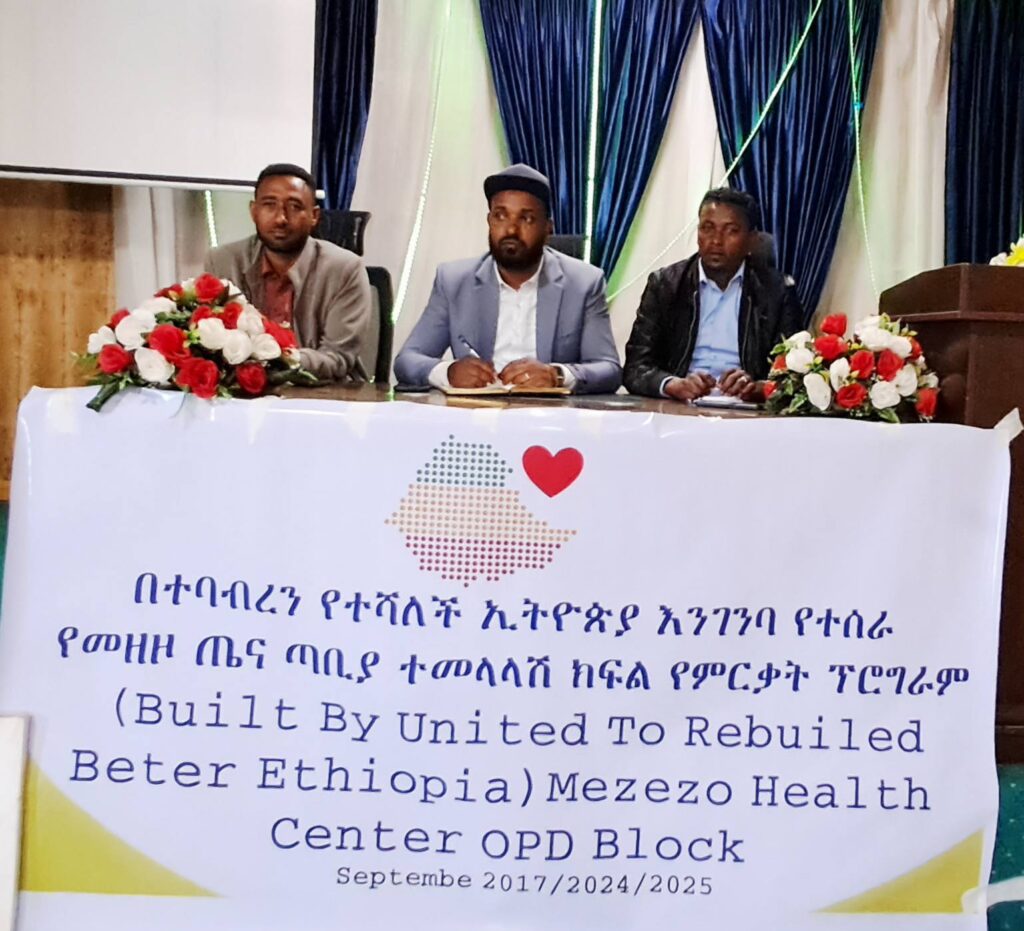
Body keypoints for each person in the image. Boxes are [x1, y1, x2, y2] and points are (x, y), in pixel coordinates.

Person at [393, 164, 621, 394]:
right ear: (489, 221)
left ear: (547, 229)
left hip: (549, 411)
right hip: (475, 410)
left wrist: (557, 375)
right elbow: (407, 360)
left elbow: (609, 369)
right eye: (500, 216)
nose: (511, 229)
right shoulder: (454, 281)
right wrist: (448, 372)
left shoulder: (584, 283)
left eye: (526, 218)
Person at [623, 187, 803, 402]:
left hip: (747, 410)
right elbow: (635, 368)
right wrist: (671, 384)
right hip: (679, 406)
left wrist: (759, 388)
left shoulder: (777, 291)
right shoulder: (666, 284)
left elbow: (795, 373)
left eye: (731, 230)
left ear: (752, 240)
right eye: (707, 228)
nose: (716, 240)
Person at [205, 163, 371, 382]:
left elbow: (337, 358)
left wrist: (273, 359)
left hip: (323, 392)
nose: (281, 218)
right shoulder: (222, 261)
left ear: (314, 216)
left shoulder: (345, 268)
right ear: (254, 211)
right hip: (244, 392)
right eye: (269, 205)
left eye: (294, 207)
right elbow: (211, 342)